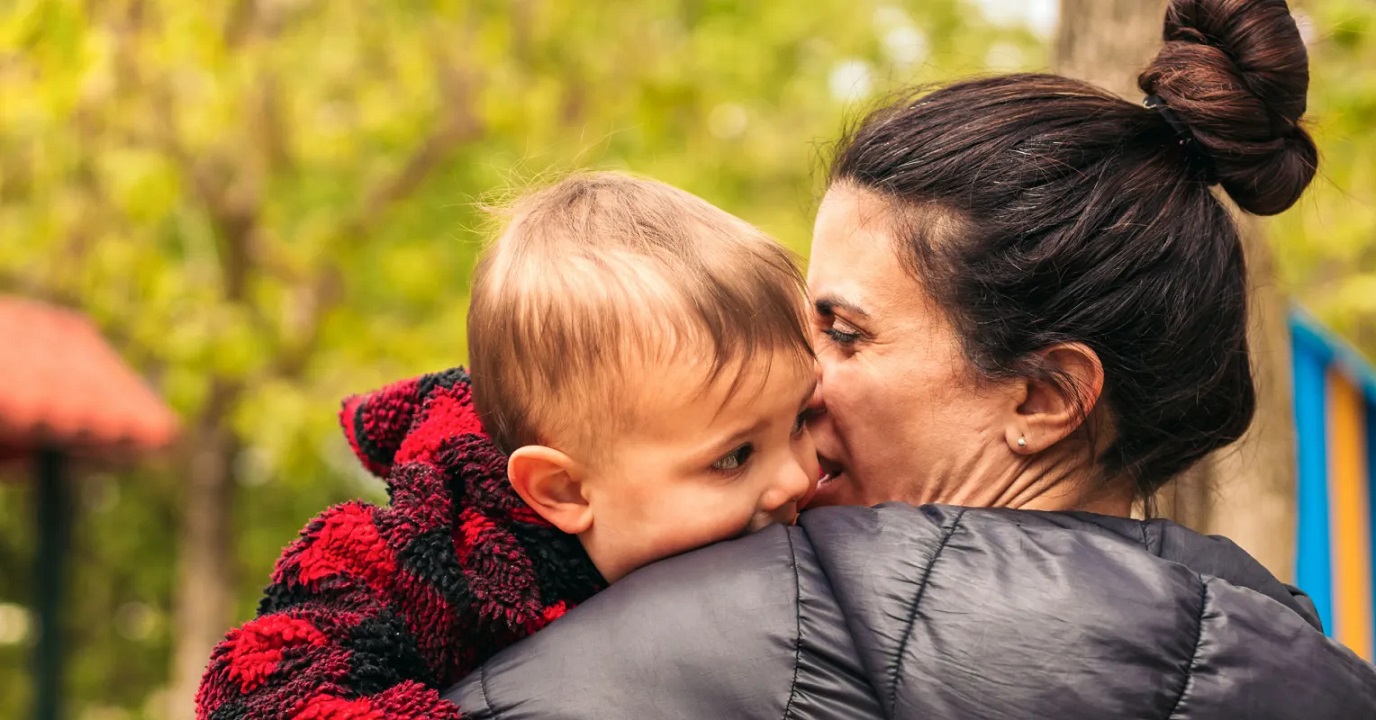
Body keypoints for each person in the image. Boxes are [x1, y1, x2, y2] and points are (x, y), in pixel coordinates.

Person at [431, 0, 1376, 718]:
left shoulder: (724, 634)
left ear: (1046, 398)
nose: (798, 375)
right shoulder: (1295, 665)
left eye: (844, 331)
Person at [194, 173, 820, 718]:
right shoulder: (436, 557)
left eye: (799, 420)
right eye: (735, 456)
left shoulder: (786, 518)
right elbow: (254, 683)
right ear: (565, 489)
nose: (796, 479)